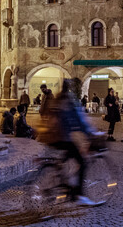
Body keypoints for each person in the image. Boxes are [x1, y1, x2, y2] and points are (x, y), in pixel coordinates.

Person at [38, 78, 102, 206]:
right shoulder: (69, 100)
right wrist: (91, 132)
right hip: (62, 138)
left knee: (64, 159)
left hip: (49, 137)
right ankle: (79, 195)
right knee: (82, 162)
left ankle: (62, 180)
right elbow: (79, 120)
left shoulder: (56, 98)